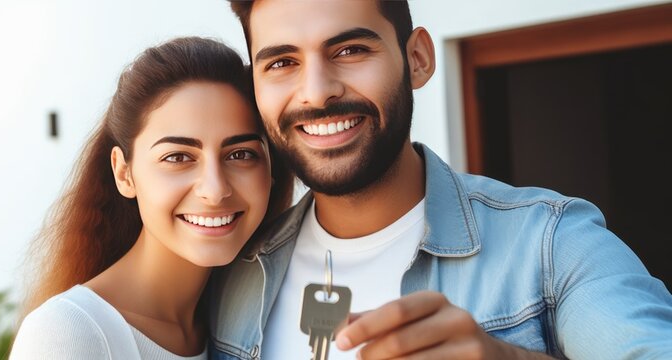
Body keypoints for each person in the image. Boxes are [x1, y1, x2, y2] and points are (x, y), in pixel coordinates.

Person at [207, 1, 672, 359]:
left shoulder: (552, 243)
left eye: (350, 50)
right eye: (282, 63)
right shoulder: (232, 271)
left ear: (418, 59)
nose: (317, 91)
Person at [10, 37, 292, 359]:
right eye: (177, 157)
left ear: (272, 169)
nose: (214, 190)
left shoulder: (249, 320)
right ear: (124, 173)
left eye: (240, 154)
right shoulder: (69, 334)